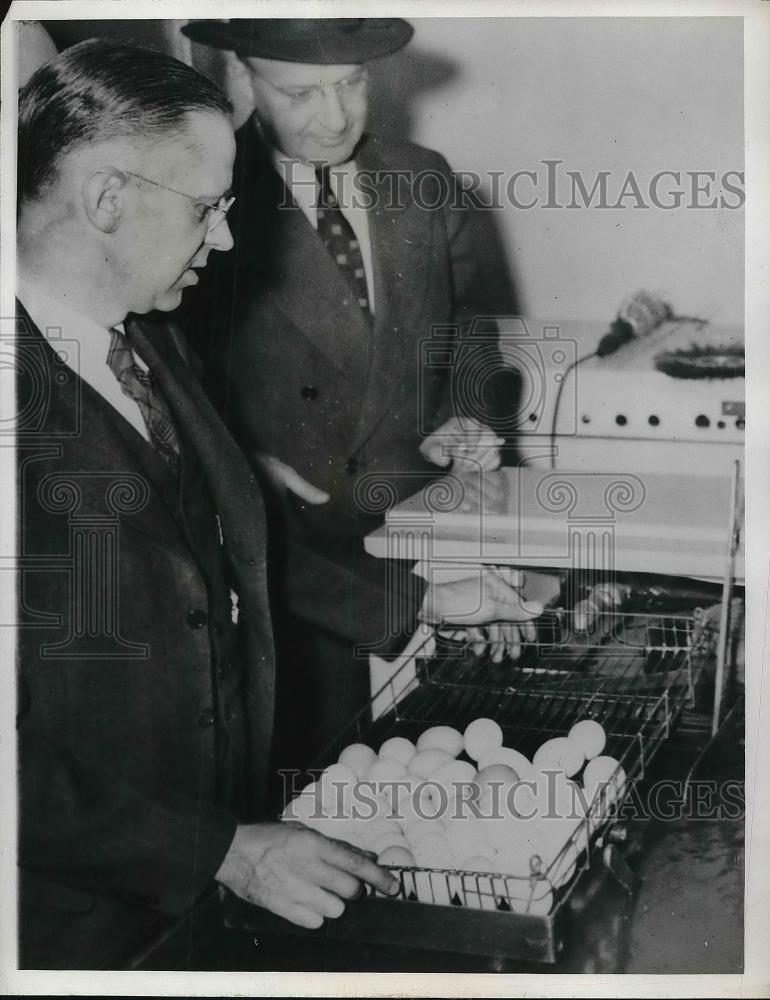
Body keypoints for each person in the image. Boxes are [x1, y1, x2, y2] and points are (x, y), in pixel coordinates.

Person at [15, 37, 541, 969]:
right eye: (209, 210)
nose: (226, 239)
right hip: (59, 924)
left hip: (178, 879)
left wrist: (425, 601)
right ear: (106, 199)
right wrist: (217, 849)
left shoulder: (144, 344)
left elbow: (235, 545)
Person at [180, 18, 533, 771]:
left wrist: (469, 413)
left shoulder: (425, 179)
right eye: (300, 93)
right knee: (325, 792)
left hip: (432, 541)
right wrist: (243, 460)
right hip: (296, 575)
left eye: (350, 85)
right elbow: (179, 398)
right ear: (243, 81)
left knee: (459, 785)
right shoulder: (202, 198)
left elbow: (472, 336)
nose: (335, 116)